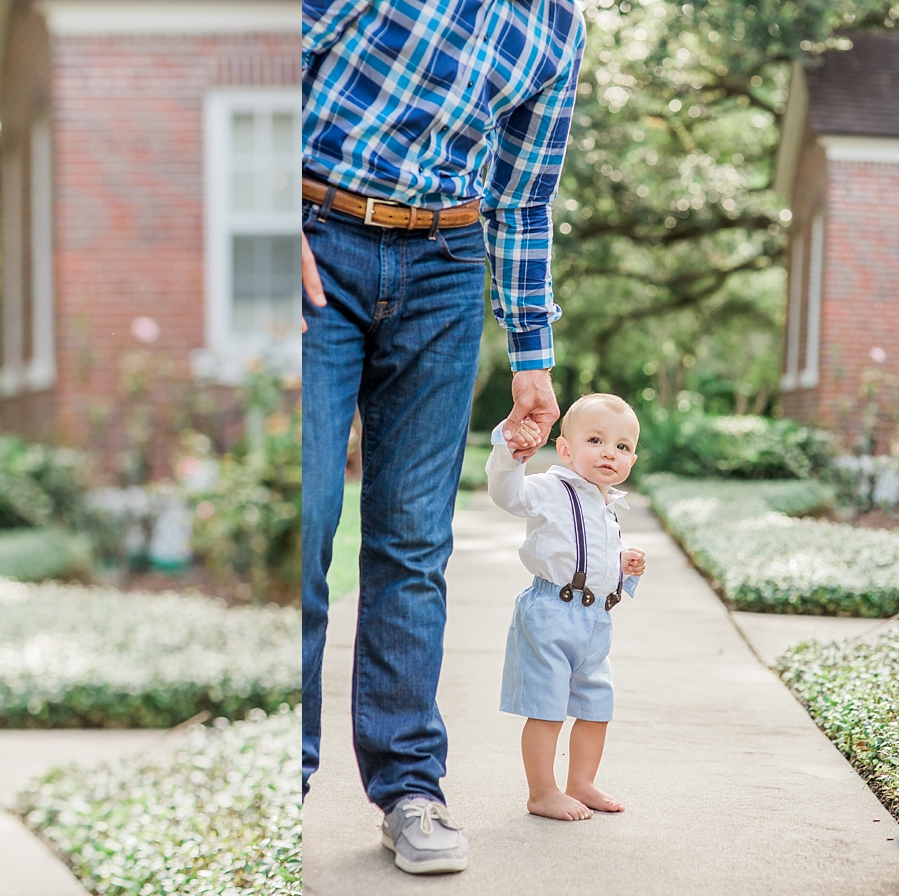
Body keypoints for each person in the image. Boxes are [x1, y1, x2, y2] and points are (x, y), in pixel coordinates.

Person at [300, 0, 586, 876]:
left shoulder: (558, 31)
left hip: (446, 266)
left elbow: (524, 199)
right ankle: (279, 781)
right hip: (316, 234)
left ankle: (409, 790)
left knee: (413, 541)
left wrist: (531, 352)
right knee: (301, 521)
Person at [489, 394, 646, 823]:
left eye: (622, 446)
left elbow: (591, 558)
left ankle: (581, 782)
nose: (609, 453)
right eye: (595, 440)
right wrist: (509, 454)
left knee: (597, 706)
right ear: (565, 449)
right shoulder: (549, 488)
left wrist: (624, 566)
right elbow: (508, 495)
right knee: (547, 707)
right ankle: (542, 792)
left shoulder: (607, 504)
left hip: (595, 621)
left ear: (632, 457)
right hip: (550, 613)